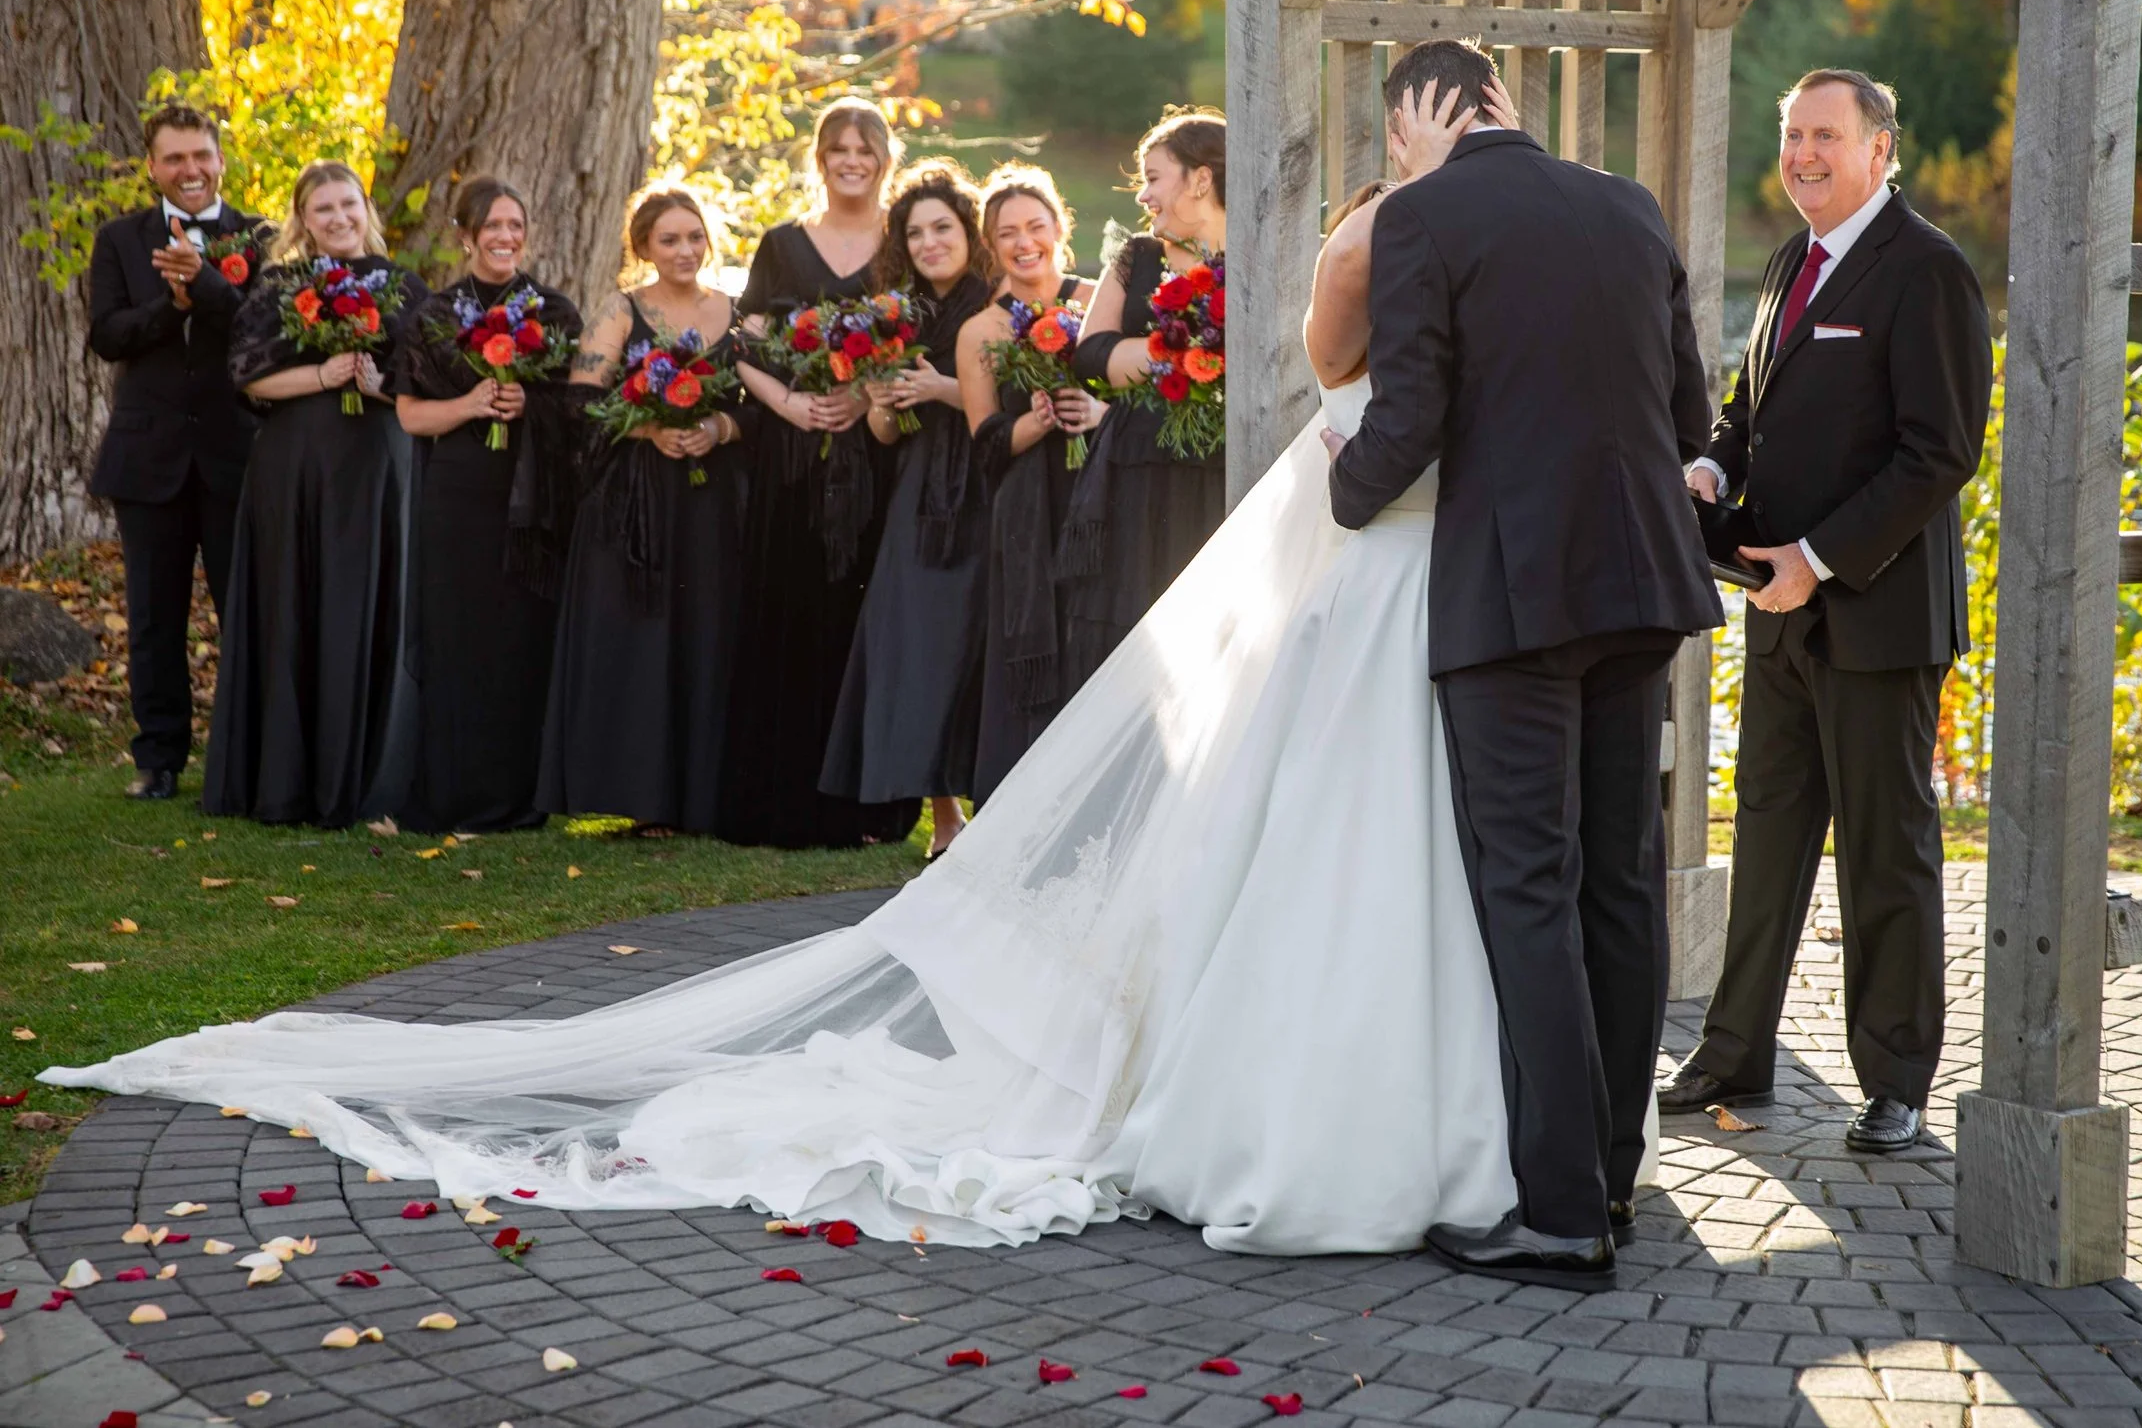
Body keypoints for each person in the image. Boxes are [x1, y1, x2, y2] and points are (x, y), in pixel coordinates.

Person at [40, 84, 1551, 1264]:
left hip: (1339, 560)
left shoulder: (1348, 254)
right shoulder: (1207, 266)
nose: (1139, 201)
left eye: (1157, 182)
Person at [1327, 39, 1723, 1290]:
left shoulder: (1423, 217)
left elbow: (1411, 416)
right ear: (1509, 103)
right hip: (1644, 584)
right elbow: (1688, 420)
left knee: (1529, 890)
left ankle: (1558, 1213)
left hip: (1514, 597)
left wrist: (1331, 499)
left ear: (1415, 122)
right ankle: (1610, 1168)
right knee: (1620, 879)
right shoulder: (1627, 204)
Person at [1656, 68, 1991, 1156]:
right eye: (1792, 133)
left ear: (1879, 149)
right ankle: (1732, 1053)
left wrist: (1819, 557)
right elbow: (1748, 407)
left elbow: (1939, 452)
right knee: (1765, 833)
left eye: (1825, 135)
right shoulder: (1790, 258)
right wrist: (1711, 465)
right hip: (1774, 608)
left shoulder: (1928, 271)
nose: (1802, 152)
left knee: (1886, 853)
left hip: (1877, 616)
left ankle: (1895, 1077)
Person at [718, 101, 922, 850]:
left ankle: (871, 807)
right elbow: (742, 345)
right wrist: (792, 403)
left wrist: (868, 391)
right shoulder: (781, 244)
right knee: (789, 609)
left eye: (864, 147)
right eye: (837, 147)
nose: (851, 159)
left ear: (884, 158)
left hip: (878, 451)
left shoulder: (903, 244)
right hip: (792, 456)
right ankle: (783, 803)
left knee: (864, 619)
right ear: (820, 157)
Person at [202, 161, 421, 827]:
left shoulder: (404, 286)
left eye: (347, 205)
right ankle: (290, 780)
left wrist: (376, 380)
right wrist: (325, 372)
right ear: (303, 218)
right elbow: (249, 379)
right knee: (296, 600)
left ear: (366, 208)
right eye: (322, 209)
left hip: (379, 467)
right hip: (295, 469)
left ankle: (370, 779)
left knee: (374, 601)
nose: (338, 218)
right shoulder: (278, 287)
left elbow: (428, 382)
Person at [535, 189, 746, 836]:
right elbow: (578, 405)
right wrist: (646, 431)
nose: (685, 250)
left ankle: (707, 796)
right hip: (637, 503)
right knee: (645, 640)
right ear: (644, 248)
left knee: (708, 633)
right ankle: (647, 798)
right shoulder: (620, 313)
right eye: (669, 239)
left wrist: (719, 425)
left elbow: (765, 405)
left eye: (694, 237)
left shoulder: (738, 314)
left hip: (711, 503)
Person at [389, 178, 584, 834]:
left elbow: (580, 405)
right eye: (492, 226)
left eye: (514, 225)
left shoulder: (554, 313)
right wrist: (474, 404)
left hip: (532, 498)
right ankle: (457, 795)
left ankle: (523, 798)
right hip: (459, 494)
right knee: (460, 639)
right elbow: (412, 414)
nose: (505, 237)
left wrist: (532, 403)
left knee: (522, 639)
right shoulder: (435, 316)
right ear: (466, 235)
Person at [85, 103, 264, 802]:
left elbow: (262, 323)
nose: (189, 170)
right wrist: (174, 305)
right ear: (152, 166)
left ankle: (245, 751)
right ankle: (158, 757)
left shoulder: (260, 235)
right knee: (155, 616)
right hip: (147, 454)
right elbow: (108, 333)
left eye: (201, 156)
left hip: (234, 451)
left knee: (241, 607)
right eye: (174, 159)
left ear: (220, 159)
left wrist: (210, 284)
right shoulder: (120, 240)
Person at [819, 160, 996, 855]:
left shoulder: (997, 299)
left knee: (979, 644)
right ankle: (943, 813)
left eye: (941, 228)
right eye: (914, 232)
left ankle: (995, 800)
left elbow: (1004, 404)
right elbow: (884, 435)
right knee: (917, 646)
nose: (928, 243)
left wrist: (941, 389)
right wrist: (883, 403)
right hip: (920, 492)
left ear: (968, 231)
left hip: (987, 484)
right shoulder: (898, 316)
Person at [1059, 111, 1227, 683]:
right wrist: (1184, 349)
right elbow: (1090, 355)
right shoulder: (1138, 256)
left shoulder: (1262, 254)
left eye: (1154, 177)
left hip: (1224, 467)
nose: (1143, 193)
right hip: (1135, 467)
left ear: (1200, 179)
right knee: (1132, 628)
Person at [955, 165, 1101, 802]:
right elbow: (986, 444)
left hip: (1099, 497)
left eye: (1036, 226)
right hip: (1028, 509)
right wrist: (1035, 425)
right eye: (1007, 232)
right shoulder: (980, 331)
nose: (1024, 242)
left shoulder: (1097, 301)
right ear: (992, 244)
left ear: (1060, 228)